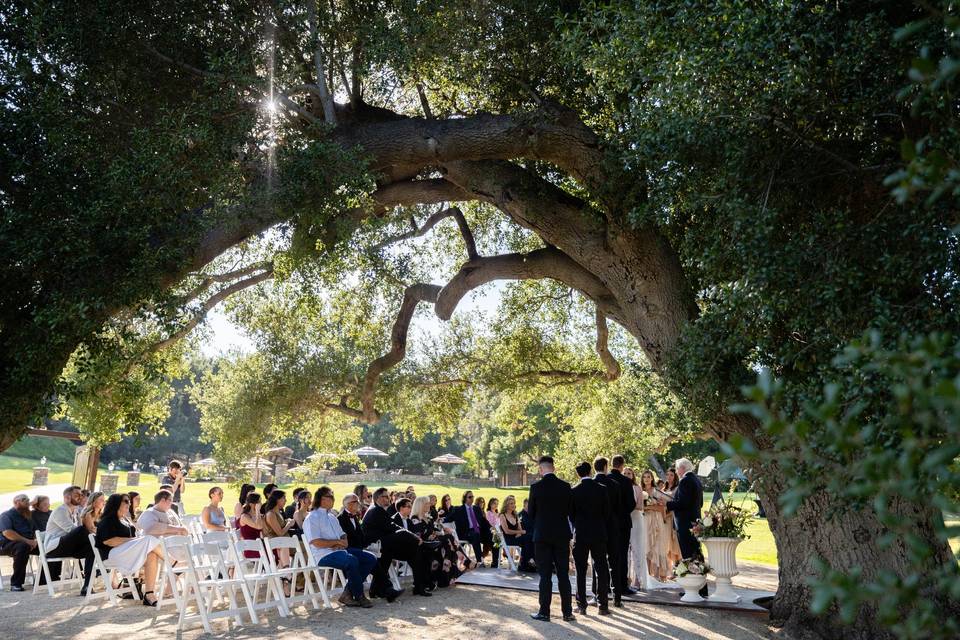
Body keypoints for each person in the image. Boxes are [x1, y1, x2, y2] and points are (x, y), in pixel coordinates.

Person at [303, 487, 375, 607]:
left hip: (340, 551)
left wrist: (343, 542)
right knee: (352, 560)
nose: (333, 499)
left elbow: (342, 534)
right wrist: (336, 542)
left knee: (370, 558)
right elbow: (316, 542)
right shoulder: (312, 518)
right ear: (322, 499)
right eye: (330, 496)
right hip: (323, 555)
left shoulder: (331, 517)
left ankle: (348, 592)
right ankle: (359, 595)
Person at [527, 455, 574, 623]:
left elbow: (530, 513)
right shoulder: (565, 486)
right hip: (561, 535)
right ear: (553, 468)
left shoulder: (536, 487)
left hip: (542, 535)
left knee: (545, 575)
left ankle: (544, 612)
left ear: (541, 469)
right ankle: (567, 612)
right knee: (563, 575)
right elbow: (570, 511)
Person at [95, 493, 163, 606]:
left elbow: (133, 539)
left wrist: (135, 540)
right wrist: (133, 540)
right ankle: (172, 562)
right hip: (111, 555)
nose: (129, 503)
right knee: (148, 539)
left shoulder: (125, 521)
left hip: (125, 553)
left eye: (129, 501)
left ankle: (149, 594)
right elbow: (109, 541)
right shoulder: (108, 520)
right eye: (126, 501)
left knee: (152, 555)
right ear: (116, 503)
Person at [362, 487, 421, 599]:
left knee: (387, 555)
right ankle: (386, 590)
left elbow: (389, 527)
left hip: (380, 544)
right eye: (386, 496)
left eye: (388, 496)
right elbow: (391, 527)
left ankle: (376, 590)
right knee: (405, 538)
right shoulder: (377, 510)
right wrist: (413, 536)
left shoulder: (377, 509)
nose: (388, 499)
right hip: (373, 545)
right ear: (378, 498)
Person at [570, 461, 611, 615]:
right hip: (598, 532)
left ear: (578, 474)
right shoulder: (601, 489)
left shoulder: (574, 491)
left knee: (580, 570)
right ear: (590, 471)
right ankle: (603, 605)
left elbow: (571, 514)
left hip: (581, 533)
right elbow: (606, 512)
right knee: (601, 568)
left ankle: (581, 605)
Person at [663, 457, 708, 598]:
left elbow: (682, 503)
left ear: (682, 468)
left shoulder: (685, 481)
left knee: (689, 555)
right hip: (694, 521)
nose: (676, 472)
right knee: (696, 554)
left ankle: (693, 588)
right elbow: (699, 503)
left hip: (685, 523)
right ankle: (701, 587)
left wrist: (667, 504)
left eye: (677, 469)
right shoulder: (696, 480)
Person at [44, 485, 97, 595]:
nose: (80, 497)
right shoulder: (60, 510)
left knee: (92, 549)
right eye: (76, 494)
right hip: (54, 548)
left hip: (70, 547)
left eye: (81, 495)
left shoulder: (76, 511)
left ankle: (87, 586)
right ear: (67, 497)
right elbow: (72, 530)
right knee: (83, 531)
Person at [592, 457, 623, 606]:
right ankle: (617, 597)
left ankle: (597, 594)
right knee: (614, 562)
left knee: (597, 563)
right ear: (605, 467)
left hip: (596, 528)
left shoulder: (591, 484)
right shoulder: (614, 484)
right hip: (612, 527)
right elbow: (618, 508)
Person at [609, 454, 638, 596]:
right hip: (623, 523)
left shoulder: (606, 479)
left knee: (608, 554)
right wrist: (622, 513)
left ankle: (608, 585)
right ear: (621, 466)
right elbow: (631, 503)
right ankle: (621, 586)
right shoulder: (626, 482)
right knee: (622, 554)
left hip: (607, 523)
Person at [0, 494, 38, 591]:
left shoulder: (27, 515)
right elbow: (7, 533)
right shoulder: (6, 515)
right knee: (22, 547)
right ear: (16, 502)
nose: (27, 502)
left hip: (28, 543)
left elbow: (34, 531)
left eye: (28, 499)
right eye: (24, 500)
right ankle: (16, 583)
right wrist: (28, 541)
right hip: (6, 544)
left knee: (48, 546)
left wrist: (35, 541)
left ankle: (44, 579)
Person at [445, 490, 490, 567]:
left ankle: (495, 562)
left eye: (473, 497)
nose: (472, 498)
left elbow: (484, 521)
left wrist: (492, 528)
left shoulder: (477, 508)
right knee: (476, 534)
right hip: (466, 533)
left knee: (493, 536)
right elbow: (448, 519)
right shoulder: (458, 509)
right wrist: (440, 520)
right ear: (465, 498)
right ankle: (480, 561)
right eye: (470, 497)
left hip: (479, 531)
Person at [623, 467, 650, 589]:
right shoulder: (620, 486)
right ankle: (626, 578)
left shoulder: (637, 488)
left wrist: (627, 507)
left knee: (637, 549)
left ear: (633, 475)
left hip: (636, 520)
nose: (627, 475)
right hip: (623, 521)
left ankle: (638, 580)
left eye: (629, 473)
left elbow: (640, 506)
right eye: (625, 473)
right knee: (625, 551)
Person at [641, 469, 670, 581]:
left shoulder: (656, 492)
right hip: (644, 521)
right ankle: (647, 575)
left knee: (657, 546)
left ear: (652, 478)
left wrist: (648, 507)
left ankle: (657, 575)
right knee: (646, 546)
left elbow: (662, 507)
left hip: (656, 521)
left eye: (649, 477)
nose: (647, 479)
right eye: (645, 477)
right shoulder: (640, 491)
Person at [499, 495, 535, 572]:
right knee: (528, 538)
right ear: (506, 505)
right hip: (508, 540)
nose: (513, 505)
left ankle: (525, 564)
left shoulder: (515, 515)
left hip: (517, 538)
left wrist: (520, 532)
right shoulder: (502, 515)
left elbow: (520, 529)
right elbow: (507, 531)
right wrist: (520, 532)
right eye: (511, 503)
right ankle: (529, 562)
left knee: (530, 538)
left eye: (514, 503)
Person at [663, 467, 683, 567]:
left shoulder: (677, 488)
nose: (669, 477)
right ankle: (669, 567)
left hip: (672, 517)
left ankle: (677, 565)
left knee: (674, 542)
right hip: (664, 518)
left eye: (671, 475)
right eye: (668, 475)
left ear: (675, 476)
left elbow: (676, 505)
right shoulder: (664, 488)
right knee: (667, 543)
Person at [238, 492, 264, 558]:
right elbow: (259, 526)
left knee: (277, 548)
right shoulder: (244, 516)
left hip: (259, 545)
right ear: (252, 504)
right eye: (259, 502)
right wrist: (258, 511)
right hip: (250, 548)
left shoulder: (257, 516)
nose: (261, 504)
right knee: (272, 551)